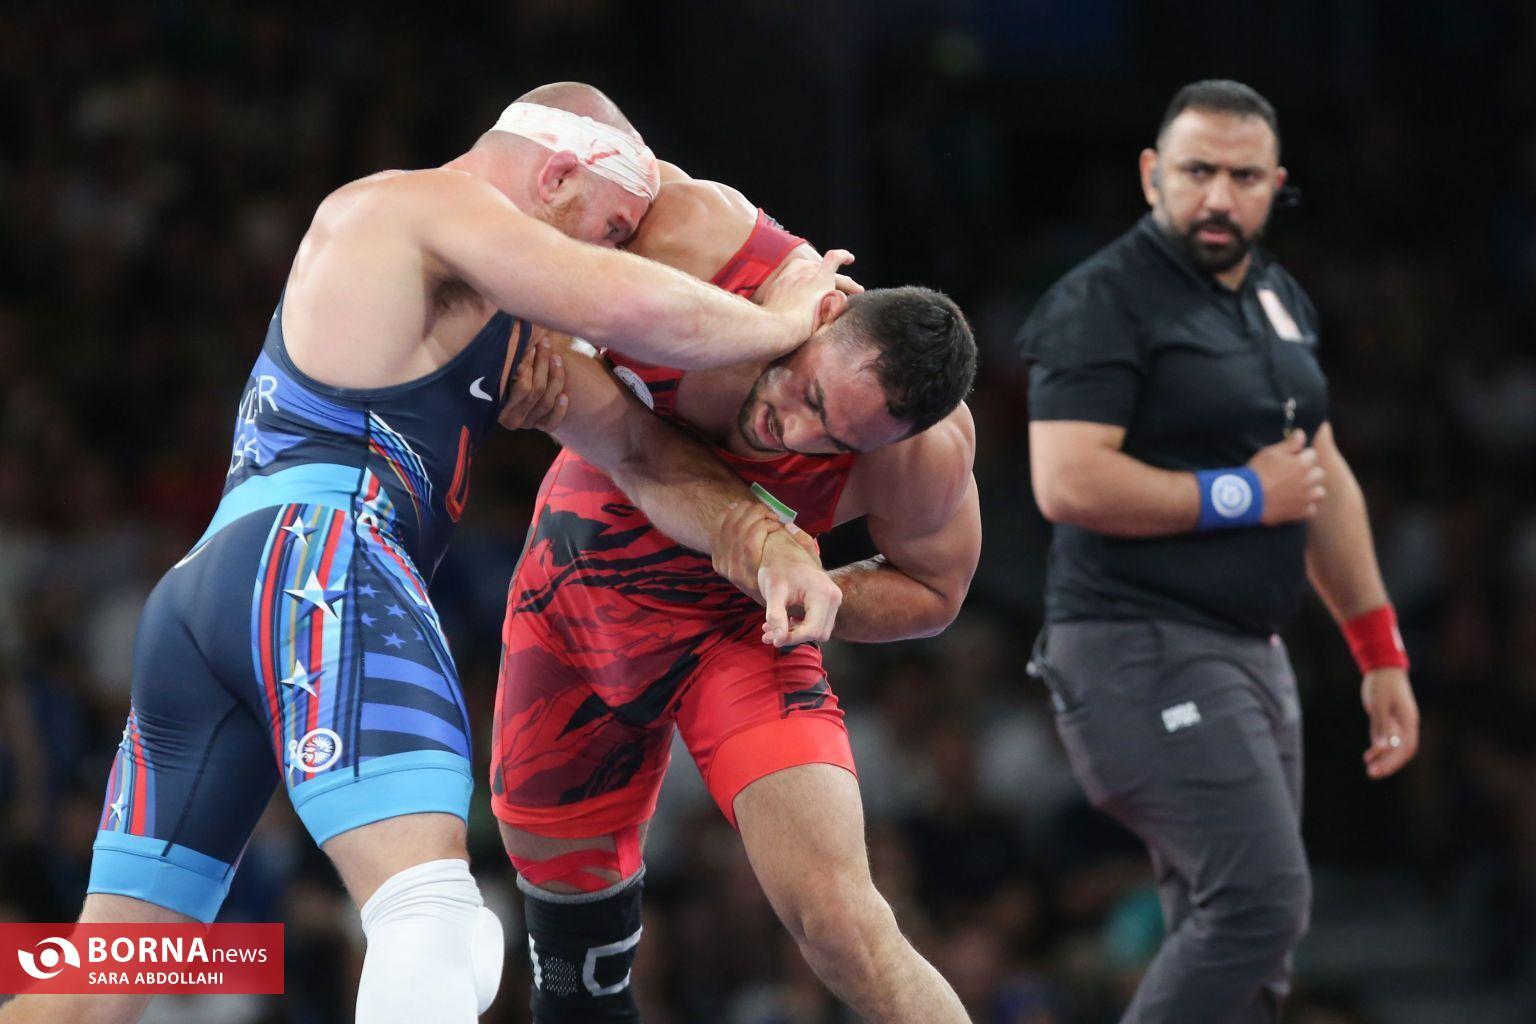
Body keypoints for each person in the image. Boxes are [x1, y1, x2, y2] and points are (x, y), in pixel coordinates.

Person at [0, 83, 849, 1024]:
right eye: (612, 229)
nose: (612, 251)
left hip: (212, 599)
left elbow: (646, 455)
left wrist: (768, 542)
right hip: (321, 563)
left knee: (105, 972)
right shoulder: (419, 203)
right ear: (557, 176)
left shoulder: (491, 313)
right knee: (437, 923)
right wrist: (786, 320)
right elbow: (626, 305)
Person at [491, 163, 982, 1023]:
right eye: (810, 394)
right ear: (827, 310)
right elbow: (515, 193)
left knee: (842, 925)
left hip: (737, 630)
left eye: (837, 442)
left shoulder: (924, 456)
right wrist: (539, 341)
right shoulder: (704, 240)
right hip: (578, 586)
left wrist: (825, 593)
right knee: (574, 965)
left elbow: (935, 592)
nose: (795, 432)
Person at [1015, 80, 1421, 1023]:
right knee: (1258, 904)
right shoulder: (1103, 299)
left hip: (1249, 652)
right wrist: (1240, 493)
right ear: (1152, 174)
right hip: (1137, 646)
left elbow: (1320, 472)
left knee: (1250, 960)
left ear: (1275, 186)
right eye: (1197, 171)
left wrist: (1379, 650)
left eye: (1243, 177)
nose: (1217, 196)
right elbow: (1067, 479)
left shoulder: (1277, 298)